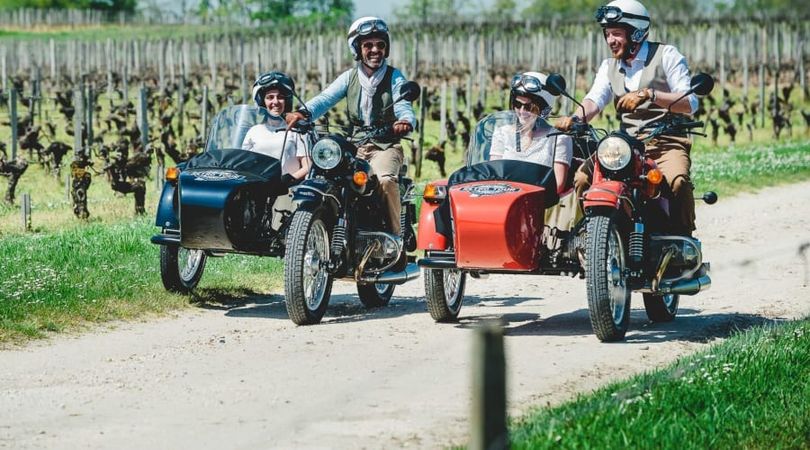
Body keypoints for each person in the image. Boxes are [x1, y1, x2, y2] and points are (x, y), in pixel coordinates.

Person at [555, 0, 699, 235]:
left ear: (637, 33)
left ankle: (683, 240)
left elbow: (690, 103)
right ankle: (588, 238)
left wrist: (649, 95)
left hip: (665, 141)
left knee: (677, 181)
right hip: (626, 145)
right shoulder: (609, 66)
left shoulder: (667, 55)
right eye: (608, 34)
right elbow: (594, 100)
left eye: (617, 34)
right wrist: (574, 119)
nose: (610, 40)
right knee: (582, 178)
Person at [285, 16, 416, 237]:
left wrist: (405, 122)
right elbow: (326, 98)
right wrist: (302, 113)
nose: (375, 50)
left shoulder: (394, 77)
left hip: (385, 145)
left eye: (380, 45)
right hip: (355, 145)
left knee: (385, 180)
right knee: (330, 177)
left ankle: (395, 238)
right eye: (368, 45)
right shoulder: (349, 77)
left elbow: (404, 103)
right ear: (357, 49)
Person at [490, 71, 572, 195]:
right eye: (517, 104)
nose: (522, 111)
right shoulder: (502, 133)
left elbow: (558, 184)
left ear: (543, 108)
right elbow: (493, 175)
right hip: (505, 200)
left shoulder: (558, 139)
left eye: (528, 107)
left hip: (541, 204)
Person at [243, 71, 311, 188]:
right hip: (258, 188)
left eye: (280, 97)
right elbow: (243, 163)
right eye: (270, 97)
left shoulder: (296, 131)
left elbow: (308, 165)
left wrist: (289, 179)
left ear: (287, 101)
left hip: (287, 189)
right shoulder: (254, 131)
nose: (275, 102)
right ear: (262, 102)